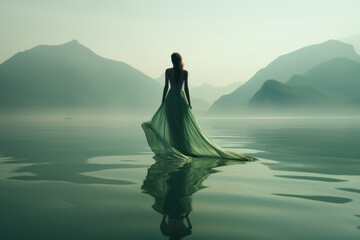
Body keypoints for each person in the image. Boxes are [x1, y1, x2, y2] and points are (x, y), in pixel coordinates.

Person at [141, 53, 256, 161]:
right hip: (180, 99)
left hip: (171, 98)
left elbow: (167, 87)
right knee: (181, 125)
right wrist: (188, 103)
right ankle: (182, 147)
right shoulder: (184, 72)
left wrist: (163, 102)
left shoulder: (169, 71)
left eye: (172, 59)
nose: (171, 61)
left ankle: (177, 148)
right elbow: (185, 89)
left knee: (174, 125)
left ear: (173, 60)